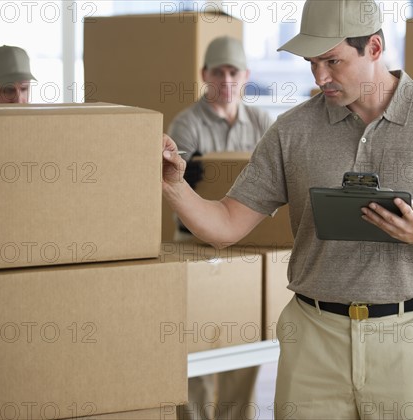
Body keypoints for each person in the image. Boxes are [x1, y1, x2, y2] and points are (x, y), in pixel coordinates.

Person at [162, 0, 413, 418]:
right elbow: (224, 226)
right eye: (311, 62)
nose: (320, 77)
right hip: (313, 340)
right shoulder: (292, 130)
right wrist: (172, 186)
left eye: (332, 61)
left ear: (374, 48)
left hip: (408, 342)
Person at [168, 36, 273, 420]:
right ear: (204, 75)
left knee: (243, 344)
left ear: (245, 76)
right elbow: (171, 189)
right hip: (193, 244)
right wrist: (188, 180)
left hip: (246, 247)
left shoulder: (262, 121)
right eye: (218, 71)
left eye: (234, 71)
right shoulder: (187, 123)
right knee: (194, 349)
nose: (226, 79)